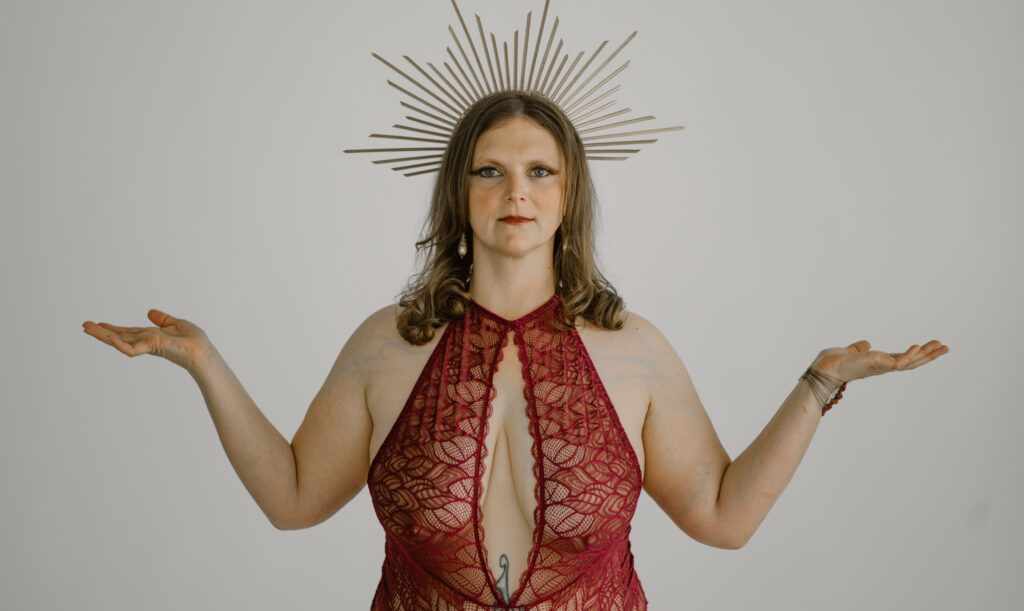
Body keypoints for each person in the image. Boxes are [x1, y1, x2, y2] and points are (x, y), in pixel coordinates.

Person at [82, 91, 948, 609]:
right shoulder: (384, 347)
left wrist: (818, 384)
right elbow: (295, 497)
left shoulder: (634, 351)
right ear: (458, 195)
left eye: (541, 171)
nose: (516, 192)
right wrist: (203, 360)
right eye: (489, 170)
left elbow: (723, 516)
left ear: (570, 195)